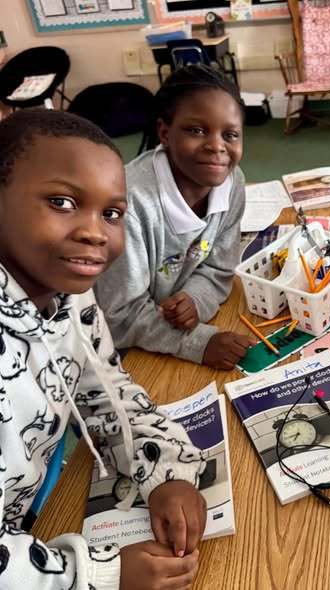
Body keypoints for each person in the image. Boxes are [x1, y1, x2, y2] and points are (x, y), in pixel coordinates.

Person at [0, 108, 208, 589]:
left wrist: (165, 468)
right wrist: (96, 575)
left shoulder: (69, 290)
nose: (96, 231)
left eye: (111, 213)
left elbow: (104, 387)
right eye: (62, 201)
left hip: (30, 516)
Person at [95, 65, 254, 370]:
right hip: (113, 347)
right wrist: (199, 342)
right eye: (196, 130)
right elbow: (118, 313)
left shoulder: (233, 183)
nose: (217, 146)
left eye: (230, 134)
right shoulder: (128, 204)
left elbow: (219, 269)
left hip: (158, 331)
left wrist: (193, 299)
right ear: (165, 133)